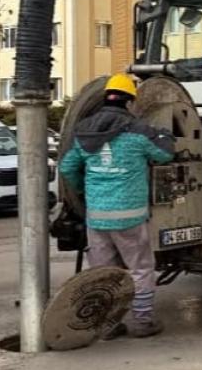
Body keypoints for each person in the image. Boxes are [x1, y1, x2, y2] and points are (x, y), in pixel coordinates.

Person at [59, 73, 174, 338]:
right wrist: (164, 136)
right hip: (130, 217)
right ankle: (142, 321)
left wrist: (82, 190)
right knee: (140, 268)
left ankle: (108, 325)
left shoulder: (85, 131)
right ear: (130, 102)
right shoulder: (138, 132)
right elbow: (164, 154)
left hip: (97, 217)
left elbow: (67, 167)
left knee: (103, 274)